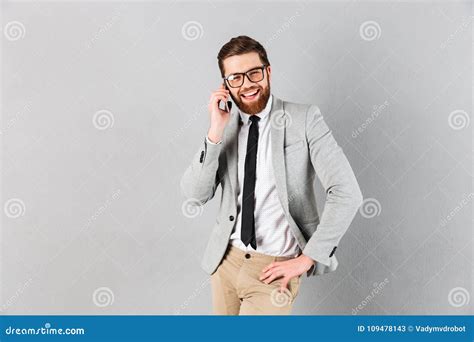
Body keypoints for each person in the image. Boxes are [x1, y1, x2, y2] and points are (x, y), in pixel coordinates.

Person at [180, 35, 363, 315]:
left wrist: (309, 258)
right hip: (224, 263)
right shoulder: (224, 126)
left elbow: (346, 192)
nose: (247, 84)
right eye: (235, 78)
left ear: (268, 71)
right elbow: (195, 194)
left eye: (254, 73)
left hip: (273, 268)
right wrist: (215, 130)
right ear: (225, 85)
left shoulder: (304, 119)